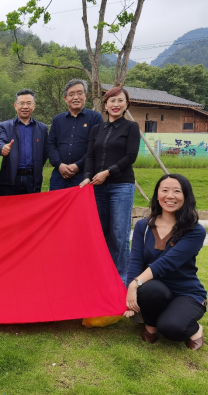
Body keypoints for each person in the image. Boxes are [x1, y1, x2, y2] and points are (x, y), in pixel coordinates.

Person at [124, 174, 207, 351]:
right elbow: (136, 260)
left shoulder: (195, 230)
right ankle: (150, 326)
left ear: (186, 196)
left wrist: (134, 284)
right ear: (157, 195)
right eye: (165, 190)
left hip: (186, 292)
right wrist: (128, 293)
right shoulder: (143, 226)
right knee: (151, 288)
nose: (170, 196)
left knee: (172, 328)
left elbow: (167, 263)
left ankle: (196, 329)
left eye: (177, 191)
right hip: (154, 290)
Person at [80, 87, 140, 284]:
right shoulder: (97, 129)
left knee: (119, 234)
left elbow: (131, 156)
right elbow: (90, 156)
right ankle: (102, 279)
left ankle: (122, 282)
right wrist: (87, 177)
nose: (116, 104)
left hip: (121, 186)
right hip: (97, 187)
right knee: (100, 233)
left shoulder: (131, 127)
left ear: (126, 105)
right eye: (112, 101)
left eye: (120, 101)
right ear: (105, 105)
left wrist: (108, 172)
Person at [47, 79, 104, 191]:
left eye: (79, 93)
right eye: (71, 94)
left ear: (85, 96)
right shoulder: (57, 120)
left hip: (83, 175)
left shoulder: (95, 118)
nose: (76, 97)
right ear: (65, 98)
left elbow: (96, 146)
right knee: (57, 203)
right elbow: (50, 145)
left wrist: (78, 165)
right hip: (59, 175)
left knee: (81, 203)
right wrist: (59, 165)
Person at [0, 89, 49, 196]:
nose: (25, 107)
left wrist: (37, 164)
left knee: (32, 206)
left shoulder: (42, 128)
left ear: (34, 106)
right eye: (21, 103)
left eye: (29, 103)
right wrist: (2, 147)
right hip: (10, 178)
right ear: (15, 105)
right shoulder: (5, 126)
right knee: (9, 206)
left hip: (32, 179)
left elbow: (45, 151)